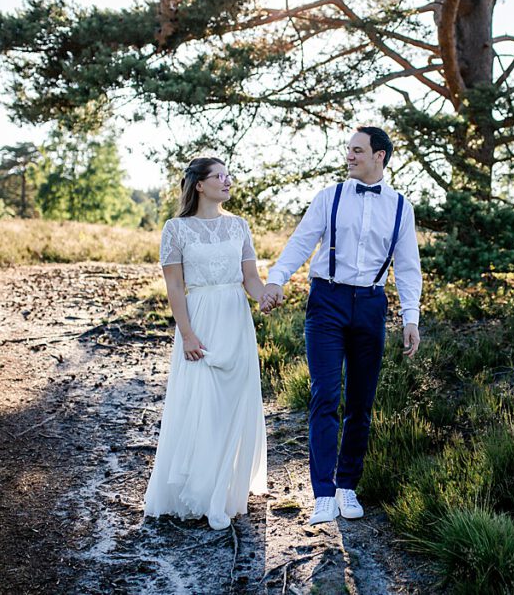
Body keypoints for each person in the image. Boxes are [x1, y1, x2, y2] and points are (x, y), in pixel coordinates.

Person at [260, 126, 422, 525]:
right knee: (325, 396)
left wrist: (410, 317)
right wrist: (277, 278)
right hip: (327, 302)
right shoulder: (329, 196)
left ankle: (348, 485)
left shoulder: (401, 206)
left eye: (357, 150)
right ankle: (323, 493)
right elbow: (301, 241)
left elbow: (407, 266)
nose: (349, 156)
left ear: (379, 156)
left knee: (361, 403)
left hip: (370, 304)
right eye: (348, 150)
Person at [143, 157, 268, 530]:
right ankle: (198, 490)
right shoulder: (176, 230)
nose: (228, 180)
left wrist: (265, 297)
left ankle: (226, 491)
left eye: (229, 174)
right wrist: (187, 334)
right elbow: (175, 287)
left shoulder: (240, 226)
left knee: (233, 403)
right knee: (202, 404)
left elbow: (251, 279)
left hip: (235, 319)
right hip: (199, 319)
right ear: (200, 185)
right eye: (220, 175)